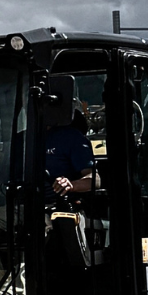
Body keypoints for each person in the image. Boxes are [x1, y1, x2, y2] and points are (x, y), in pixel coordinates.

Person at [41, 74, 95, 204]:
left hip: (58, 206)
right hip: (16, 207)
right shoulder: (20, 139)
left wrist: (71, 185)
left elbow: (94, 179)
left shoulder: (71, 138)